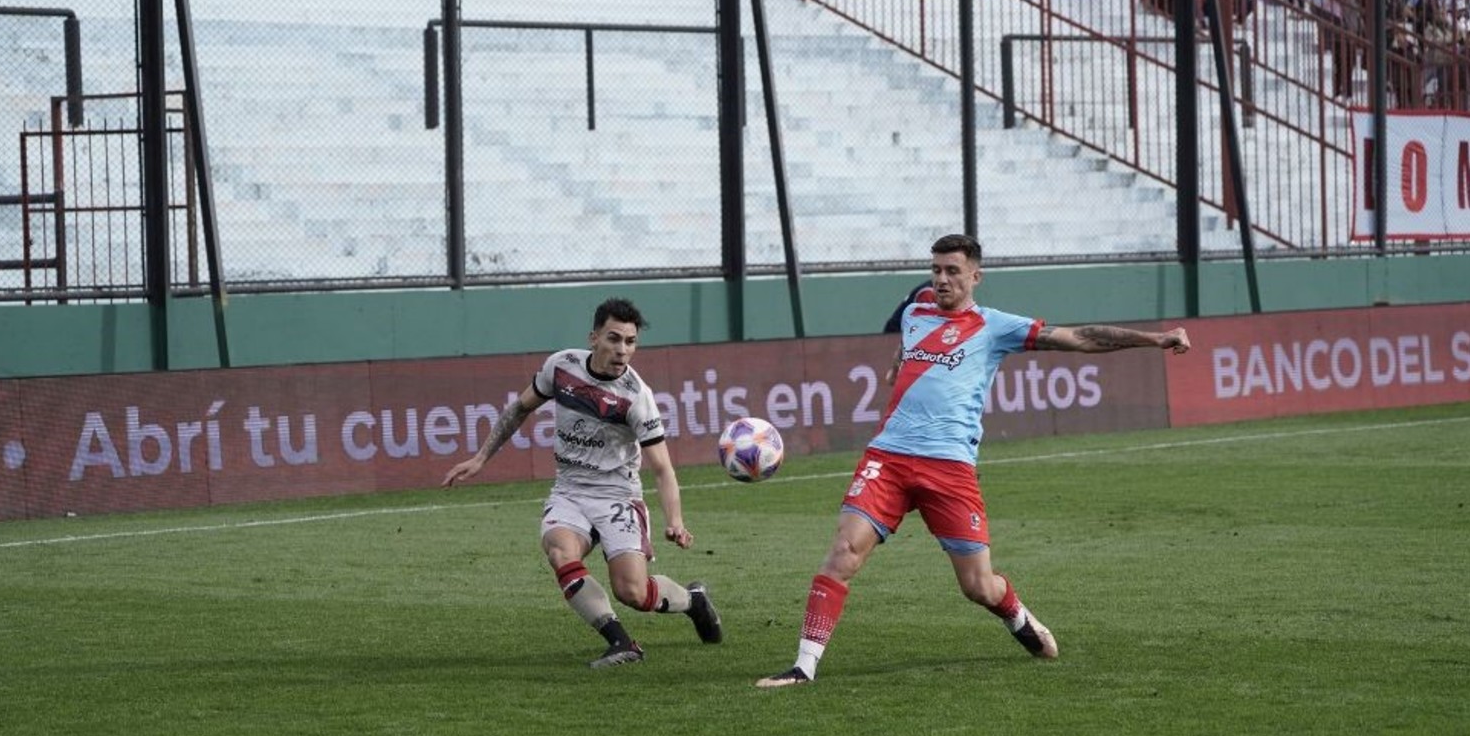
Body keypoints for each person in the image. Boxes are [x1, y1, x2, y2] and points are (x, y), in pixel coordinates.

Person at [756, 233, 1191, 688]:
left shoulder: (995, 327)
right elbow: (910, 343)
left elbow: (1078, 338)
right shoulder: (914, 312)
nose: (942, 280)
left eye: (952, 272)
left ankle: (1017, 615)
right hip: (888, 457)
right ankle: (804, 667)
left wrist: (1155, 339)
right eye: (937, 271)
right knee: (844, 552)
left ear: (975, 277)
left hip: (949, 468)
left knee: (978, 587)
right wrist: (898, 363)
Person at [442, 297, 722, 668]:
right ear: (594, 338)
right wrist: (480, 458)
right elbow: (520, 408)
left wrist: (675, 521)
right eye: (614, 338)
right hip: (570, 491)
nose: (622, 350)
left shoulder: (637, 398)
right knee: (560, 551)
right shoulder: (561, 367)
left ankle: (693, 600)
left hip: (618, 496)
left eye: (630, 342)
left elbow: (663, 469)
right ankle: (621, 643)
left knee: (633, 592)